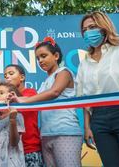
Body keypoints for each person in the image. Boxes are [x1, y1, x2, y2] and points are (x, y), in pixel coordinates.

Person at [12, 37, 82, 167]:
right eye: (38, 58)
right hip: (46, 135)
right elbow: (33, 101)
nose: (40, 61)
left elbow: (54, 92)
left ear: (56, 56)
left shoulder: (64, 72)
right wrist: (16, 100)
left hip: (65, 132)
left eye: (43, 56)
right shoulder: (44, 84)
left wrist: (22, 101)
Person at [76, 11, 119, 166]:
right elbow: (84, 99)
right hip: (98, 120)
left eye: (92, 27)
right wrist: (87, 127)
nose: (88, 32)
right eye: (85, 30)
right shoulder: (84, 63)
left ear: (104, 27)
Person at [4, 64, 43, 167]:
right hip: (12, 149)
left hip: (30, 148)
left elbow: (24, 102)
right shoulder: (4, 98)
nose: (7, 76)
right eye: (5, 75)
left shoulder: (31, 93)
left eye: (11, 73)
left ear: (22, 77)